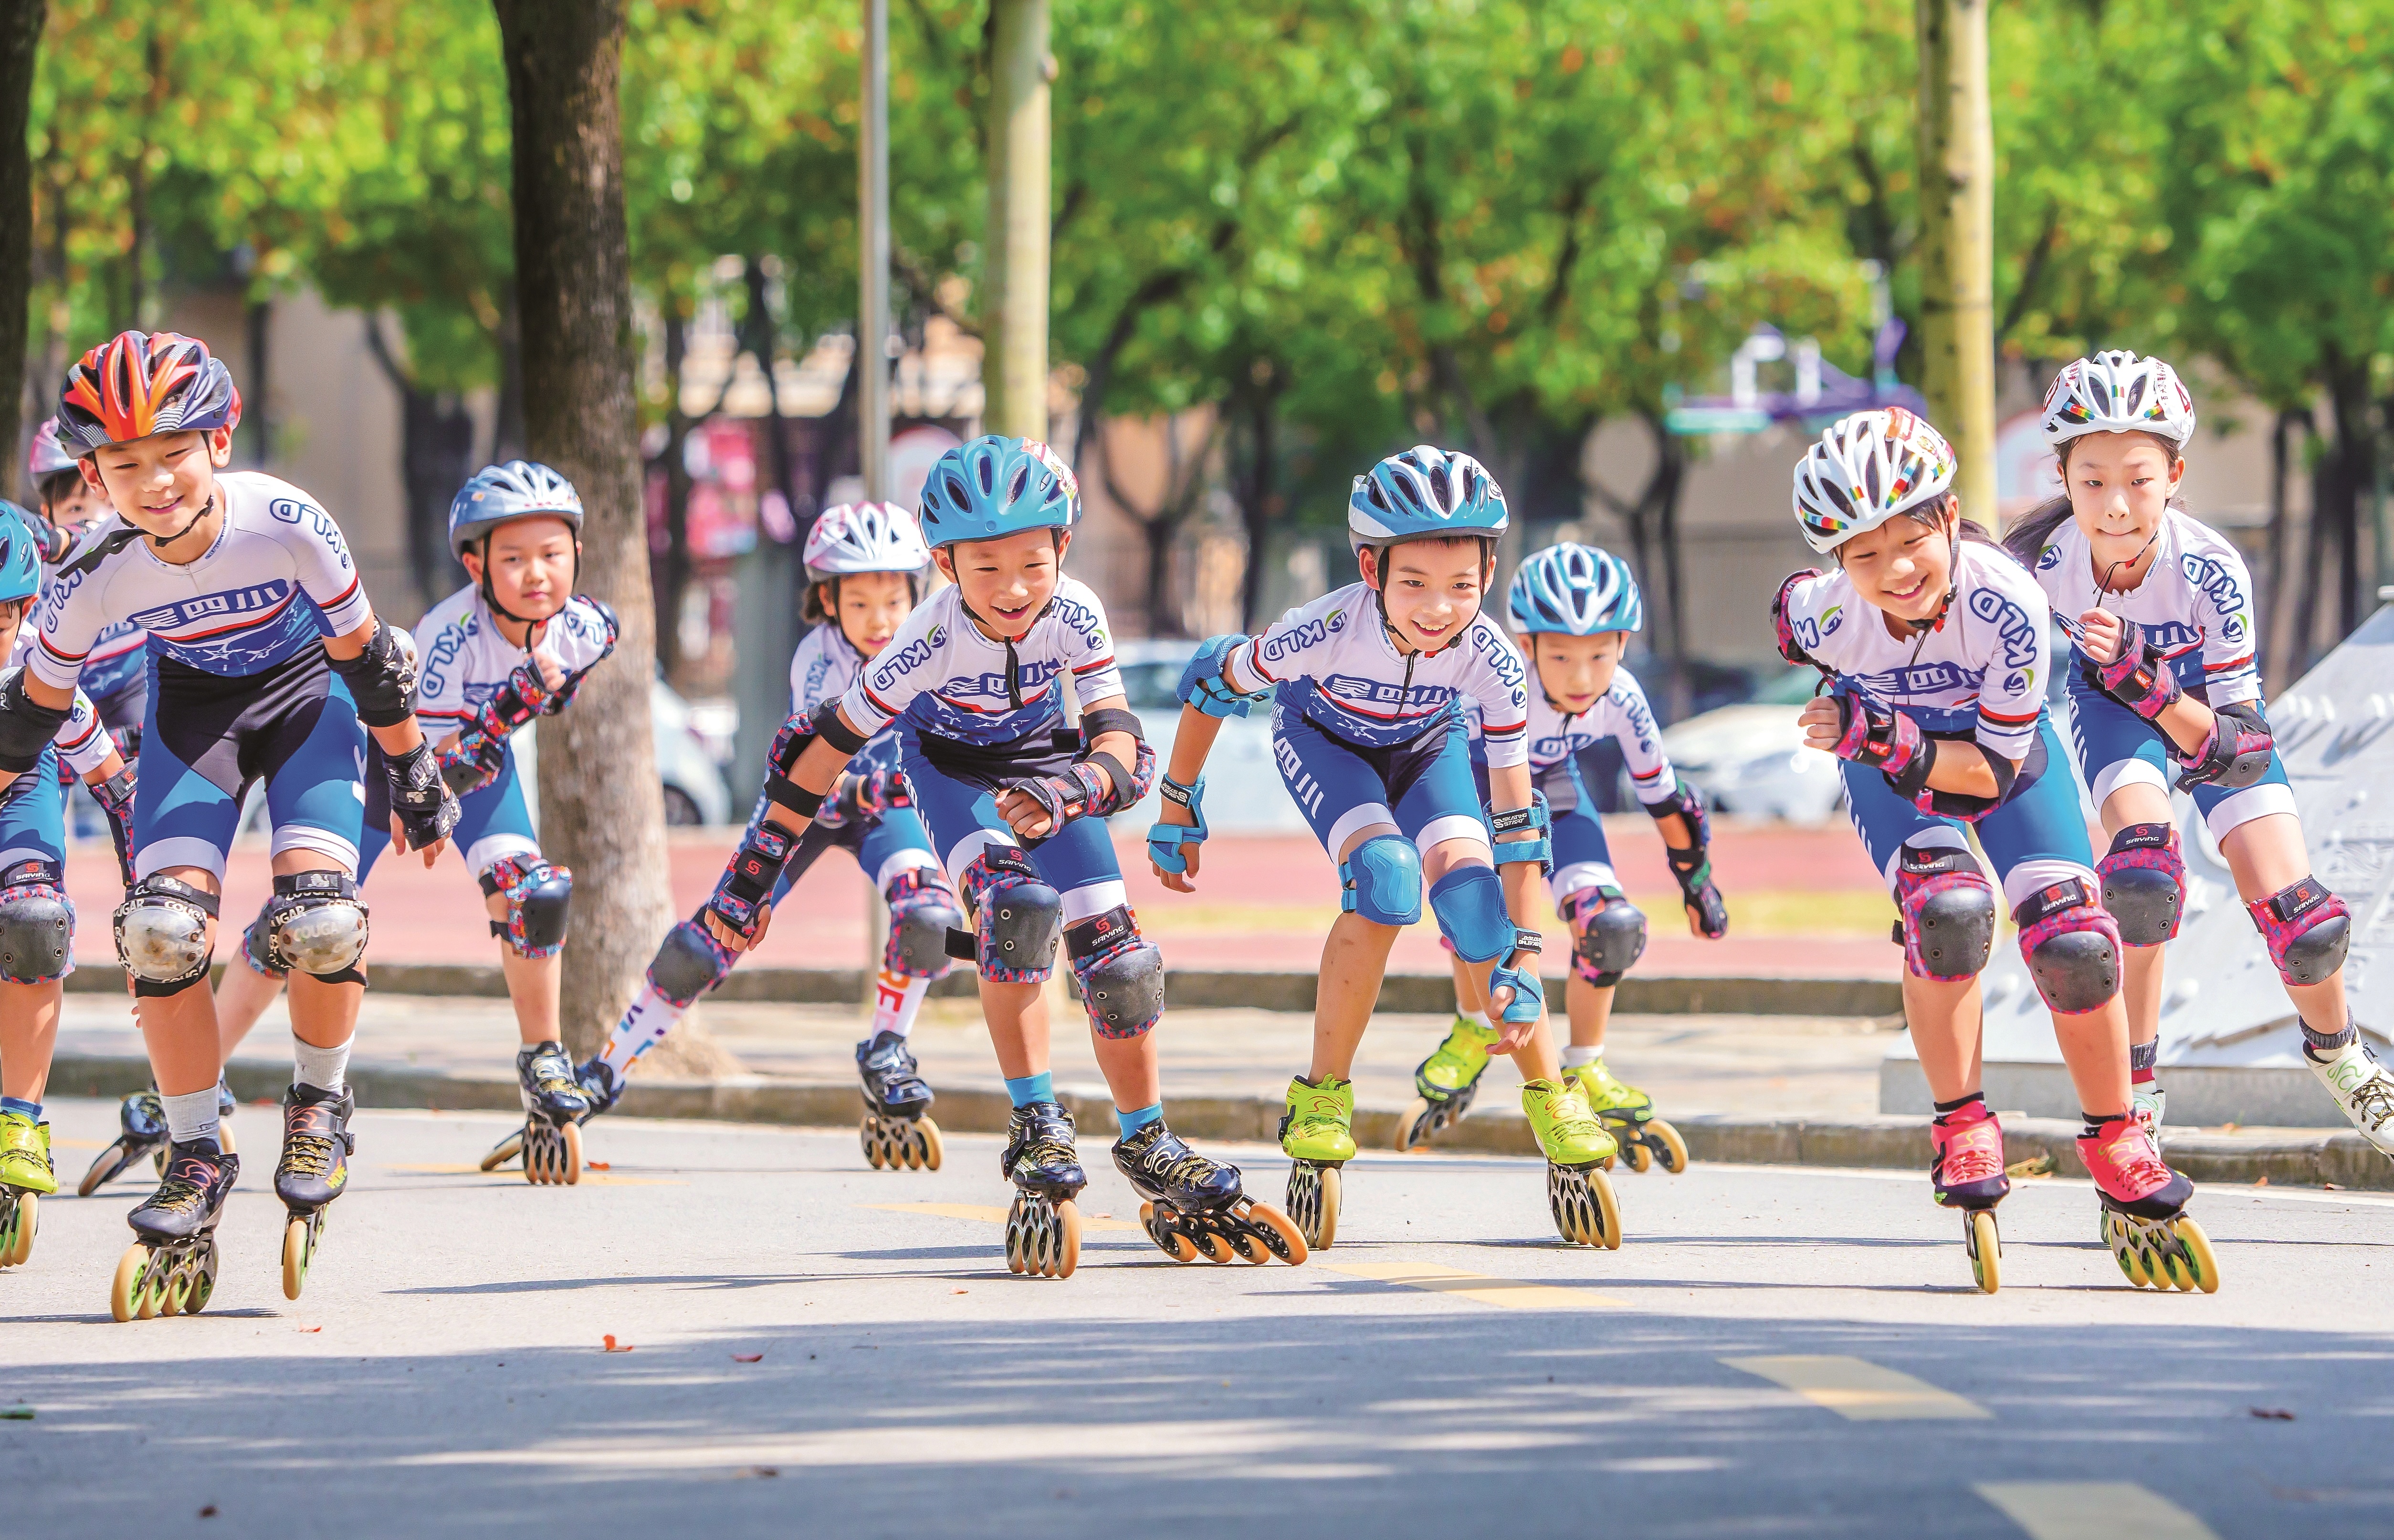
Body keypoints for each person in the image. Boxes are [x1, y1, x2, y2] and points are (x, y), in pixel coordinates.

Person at [676, 435, 1305, 1277]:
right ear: (944, 565)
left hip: (1052, 770)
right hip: (953, 774)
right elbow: (816, 753)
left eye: (1030, 564)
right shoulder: (924, 642)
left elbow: (1120, 740)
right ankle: (1035, 1118)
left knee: (1119, 960)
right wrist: (750, 882)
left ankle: (1147, 1138)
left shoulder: (1077, 610)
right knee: (1018, 913)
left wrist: (1073, 789)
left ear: (1063, 549)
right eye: (985, 569)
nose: (1012, 590)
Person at [18, 330, 458, 1319]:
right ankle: (195, 1155)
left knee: (322, 918)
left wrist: (412, 770)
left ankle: (319, 1104)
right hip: (195, 719)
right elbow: (29, 716)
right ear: (93, 473)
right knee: (162, 934)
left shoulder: (289, 520)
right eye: (125, 465)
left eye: (173, 451)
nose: (155, 481)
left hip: (313, 702)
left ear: (220, 437)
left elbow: (366, 662)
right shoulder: (94, 570)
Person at [1774, 405, 2212, 1294]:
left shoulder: (2005, 601)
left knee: (2076, 942)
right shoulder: (1816, 615)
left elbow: (1986, 775)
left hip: (1996, 760)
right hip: (1888, 771)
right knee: (1948, 914)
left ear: (1948, 517)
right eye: (1862, 555)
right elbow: (1800, 636)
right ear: (1834, 563)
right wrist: (1870, 734)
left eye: (1910, 541)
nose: (1894, 571)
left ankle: (2116, 1131)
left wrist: (1881, 730)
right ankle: (1960, 1119)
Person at [1154, 445, 1622, 1253]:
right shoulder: (1324, 629)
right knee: (1386, 878)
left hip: (1427, 747)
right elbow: (1210, 681)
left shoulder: (1494, 661)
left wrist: (1528, 952)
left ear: (1489, 573)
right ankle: (1323, 1094)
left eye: (1463, 587)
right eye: (1414, 584)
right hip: (1325, 742)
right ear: (1371, 567)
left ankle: (1552, 1095)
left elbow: (1519, 824)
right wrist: (1177, 801)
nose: (1439, 610)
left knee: (1480, 911)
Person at [2006, 350, 2394, 1166]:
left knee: (2307, 924)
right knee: (2142, 884)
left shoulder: (2210, 568)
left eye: (2139, 480)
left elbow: (2243, 749)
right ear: (2063, 475)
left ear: (2176, 474)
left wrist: (2149, 682)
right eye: (2093, 481)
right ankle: (2137, 1097)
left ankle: (2339, 1053)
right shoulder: (2040, 564)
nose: (2115, 506)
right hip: (2114, 711)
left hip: (2204, 713)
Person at [214, 461, 618, 1187]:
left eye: (553, 555)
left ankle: (544, 1060)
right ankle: (193, 1068)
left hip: (479, 767)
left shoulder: (582, 626)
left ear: (578, 557)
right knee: (301, 924)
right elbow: (423, 760)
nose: (537, 576)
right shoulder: (446, 638)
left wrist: (522, 705)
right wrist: (501, 714)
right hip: (383, 769)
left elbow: (598, 644)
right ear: (475, 564)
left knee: (535, 895)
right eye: (514, 559)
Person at [576, 501, 961, 1173]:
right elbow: (818, 767)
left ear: (916, 596)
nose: (879, 620)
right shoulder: (818, 656)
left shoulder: (933, 646)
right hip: (805, 807)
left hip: (884, 807)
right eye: (861, 602)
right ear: (827, 601)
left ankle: (887, 1052)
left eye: (893, 600)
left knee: (928, 909)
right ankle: (607, 1068)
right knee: (713, 936)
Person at [1401, 543, 1727, 1173]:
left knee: (1612, 927)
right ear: (1526, 646)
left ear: (1624, 646)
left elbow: (1666, 799)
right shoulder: (1490, 687)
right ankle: (1472, 1024)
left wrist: (1697, 882)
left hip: (1552, 783)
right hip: (1477, 780)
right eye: (1561, 656)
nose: (1582, 677)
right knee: (1479, 913)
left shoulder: (1624, 698)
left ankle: (1587, 1062)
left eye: (1600, 655)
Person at [0, 505, 140, 1269]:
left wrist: (144, 915)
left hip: (21, 795)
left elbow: (116, 790)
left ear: (25, 612)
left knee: (35, 921)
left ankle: (18, 1120)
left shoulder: (38, 671)